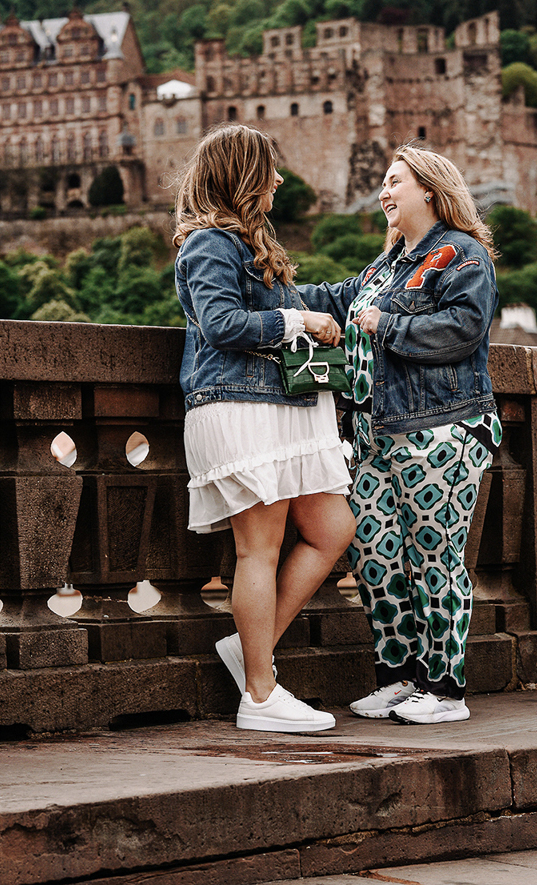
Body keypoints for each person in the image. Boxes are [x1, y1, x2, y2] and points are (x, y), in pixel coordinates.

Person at [296, 143, 501, 725]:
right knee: (377, 559)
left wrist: (387, 323)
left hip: (441, 431)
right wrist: (259, 283)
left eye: (395, 182)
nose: (384, 192)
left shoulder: (462, 255)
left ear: (430, 190)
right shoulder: (385, 265)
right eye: (384, 183)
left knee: (435, 557)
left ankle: (445, 689)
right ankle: (399, 678)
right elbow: (331, 299)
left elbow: (462, 329)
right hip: (372, 436)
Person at [173, 123, 354, 734]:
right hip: (238, 407)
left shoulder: (249, 241)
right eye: (269, 169)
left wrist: (374, 279)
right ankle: (259, 691)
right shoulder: (206, 244)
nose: (279, 179)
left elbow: (304, 296)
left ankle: (249, 646)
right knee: (259, 550)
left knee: (333, 528)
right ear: (242, 175)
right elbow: (222, 324)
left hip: (278, 407)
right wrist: (295, 319)